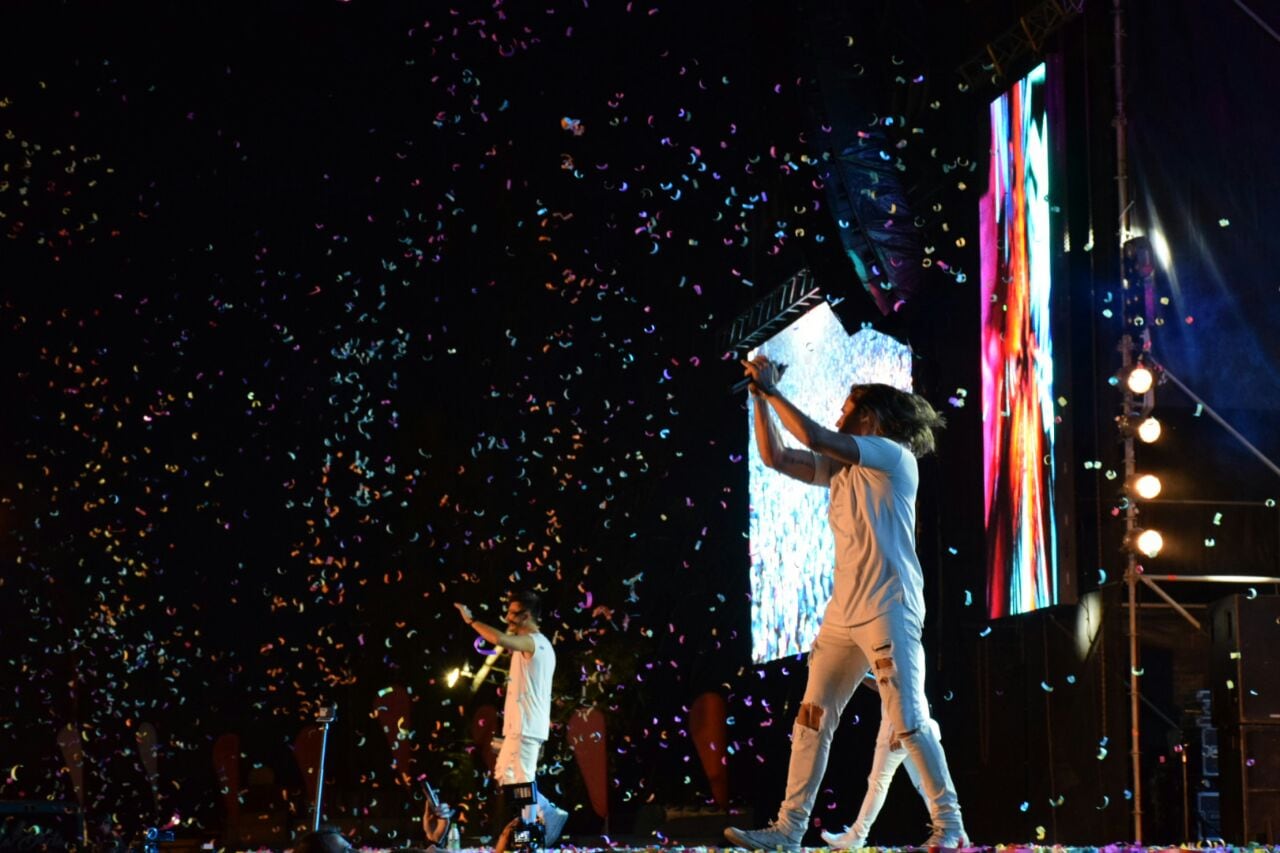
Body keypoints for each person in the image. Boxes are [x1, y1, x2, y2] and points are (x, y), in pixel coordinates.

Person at [724, 356, 968, 850]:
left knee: (909, 720)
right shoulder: (841, 469)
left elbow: (815, 437)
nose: (838, 419)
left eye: (846, 411)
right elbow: (776, 457)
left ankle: (950, 827)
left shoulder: (892, 456)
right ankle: (789, 830)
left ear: (870, 421)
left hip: (889, 608)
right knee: (812, 716)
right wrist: (758, 398)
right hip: (843, 615)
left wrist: (772, 390)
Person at [455, 591, 570, 846]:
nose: (507, 616)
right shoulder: (531, 643)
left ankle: (528, 831)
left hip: (527, 726)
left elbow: (499, 638)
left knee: (522, 779)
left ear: (526, 616)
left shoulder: (534, 642)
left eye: (512, 612)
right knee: (506, 774)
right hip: (518, 726)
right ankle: (546, 811)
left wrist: (471, 621)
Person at [819, 673, 940, 849]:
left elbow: (903, 686)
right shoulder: (902, 652)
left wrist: (900, 724)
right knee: (924, 783)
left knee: (879, 782)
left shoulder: (895, 650)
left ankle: (857, 835)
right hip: (912, 722)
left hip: (898, 725)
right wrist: (857, 674)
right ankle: (947, 830)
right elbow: (885, 685)